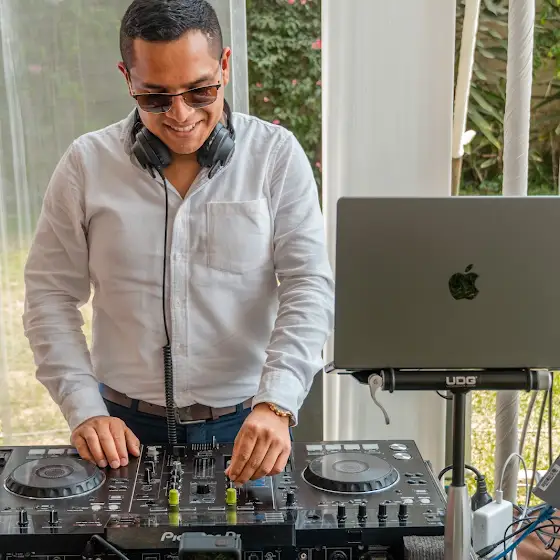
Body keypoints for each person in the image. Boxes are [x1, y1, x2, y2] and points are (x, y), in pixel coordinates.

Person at [22, 0, 334, 485]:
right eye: (156, 98)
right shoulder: (86, 165)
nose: (181, 114)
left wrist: (276, 402)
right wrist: (84, 408)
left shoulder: (275, 157)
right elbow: (49, 296)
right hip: (120, 430)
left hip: (250, 424)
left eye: (200, 90)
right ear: (127, 79)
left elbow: (307, 285)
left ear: (224, 66)